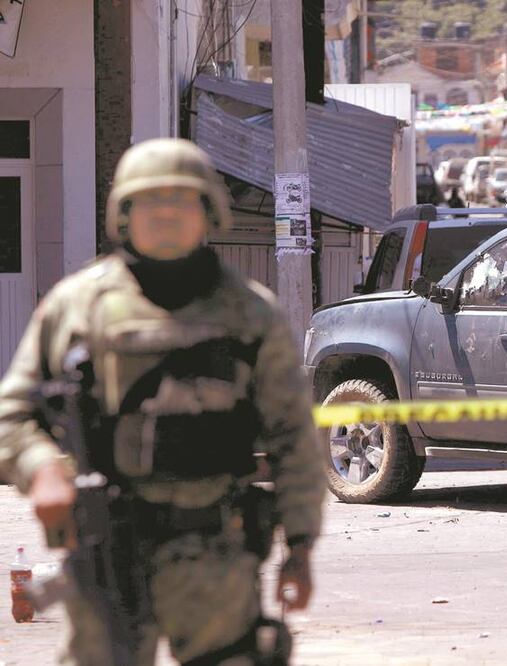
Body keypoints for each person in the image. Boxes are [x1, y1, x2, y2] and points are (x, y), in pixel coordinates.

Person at [0, 138, 325, 664]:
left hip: (216, 556)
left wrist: (302, 544)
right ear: (124, 214)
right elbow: (12, 413)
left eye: (182, 199)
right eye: (151, 200)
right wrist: (41, 469)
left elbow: (294, 438)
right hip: (109, 550)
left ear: (209, 211)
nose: (167, 212)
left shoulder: (250, 314)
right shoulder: (78, 307)